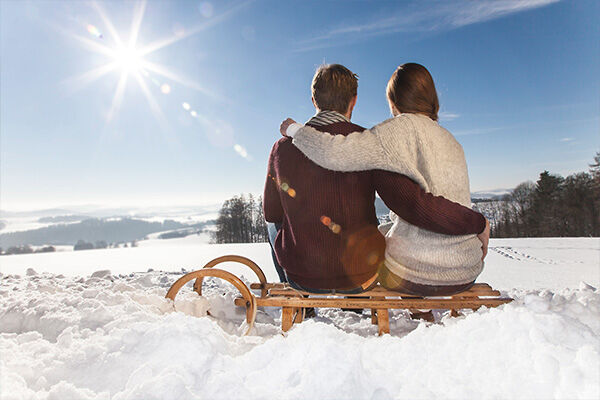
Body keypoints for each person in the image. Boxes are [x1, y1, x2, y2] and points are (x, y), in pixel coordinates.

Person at [267, 63, 489, 296]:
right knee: (381, 231)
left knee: (274, 224)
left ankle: (300, 298)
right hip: (462, 270)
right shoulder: (452, 141)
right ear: (353, 100)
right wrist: (476, 222)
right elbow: (413, 203)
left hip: (311, 276)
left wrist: (295, 131)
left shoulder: (382, 137)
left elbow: (334, 154)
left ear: (314, 100)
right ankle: (364, 301)